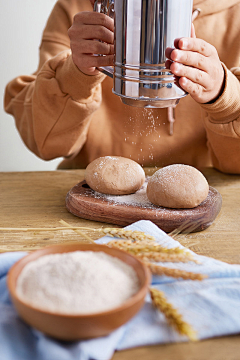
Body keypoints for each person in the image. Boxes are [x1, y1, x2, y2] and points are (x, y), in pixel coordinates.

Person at [4, 0, 240, 173]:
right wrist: (75, 74)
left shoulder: (235, 16)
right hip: (89, 190)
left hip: (199, 199)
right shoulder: (78, 9)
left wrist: (224, 96)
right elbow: (44, 142)